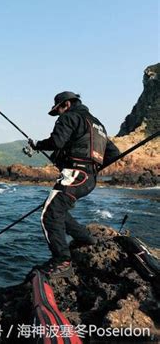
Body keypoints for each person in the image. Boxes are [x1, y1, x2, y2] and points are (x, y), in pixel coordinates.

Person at [28, 91, 120, 278]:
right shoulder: (98, 125)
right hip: (89, 179)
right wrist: (91, 166)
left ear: (66, 104)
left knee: (50, 214)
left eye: (59, 109)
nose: (59, 114)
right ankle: (86, 239)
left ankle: (62, 262)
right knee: (59, 210)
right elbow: (114, 154)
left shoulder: (70, 116)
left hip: (75, 175)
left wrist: (37, 144)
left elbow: (57, 141)